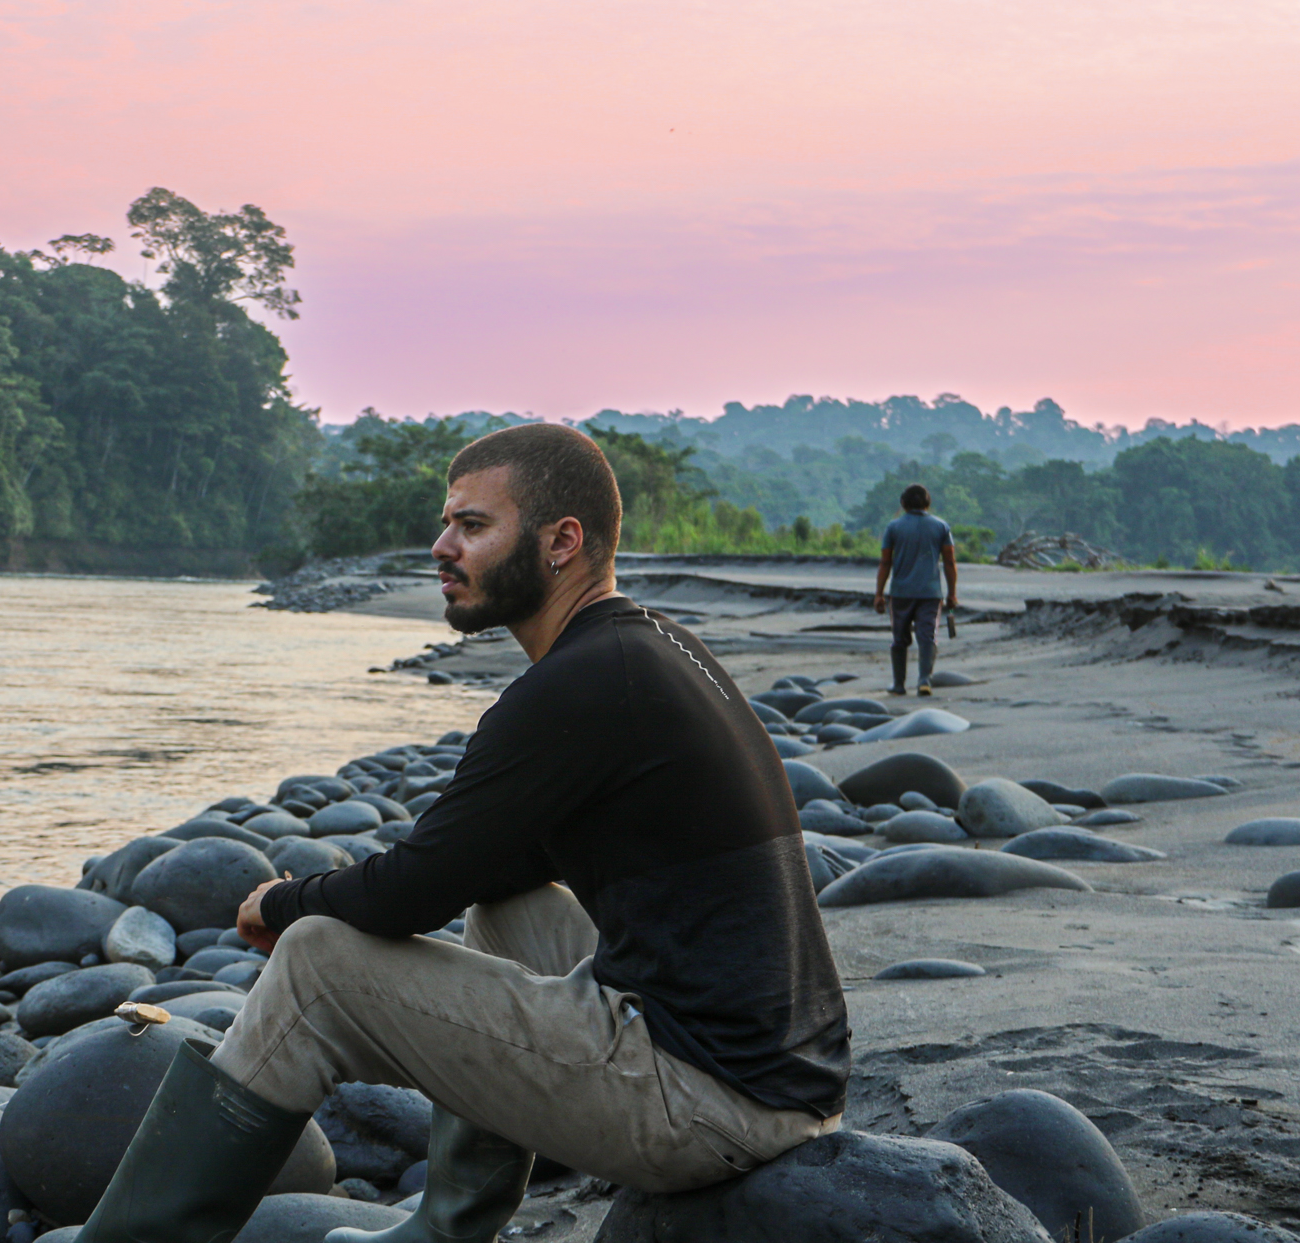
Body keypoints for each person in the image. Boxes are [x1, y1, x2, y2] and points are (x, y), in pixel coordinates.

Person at [75, 424, 850, 1243]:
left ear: (562, 542)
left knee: (313, 963)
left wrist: (282, 899)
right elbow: (490, 861)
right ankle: (446, 1230)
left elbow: (411, 892)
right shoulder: (649, 647)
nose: (442, 547)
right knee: (506, 914)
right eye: (447, 523)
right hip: (779, 1077)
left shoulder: (575, 686)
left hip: (711, 1104)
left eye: (473, 527)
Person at [873, 483, 958, 698]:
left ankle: (898, 684)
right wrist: (952, 593)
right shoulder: (941, 526)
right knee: (927, 636)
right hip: (930, 592)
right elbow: (949, 562)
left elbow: (885, 563)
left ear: (903, 504)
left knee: (899, 637)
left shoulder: (893, 527)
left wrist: (879, 594)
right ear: (928, 503)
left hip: (901, 592)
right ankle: (924, 680)